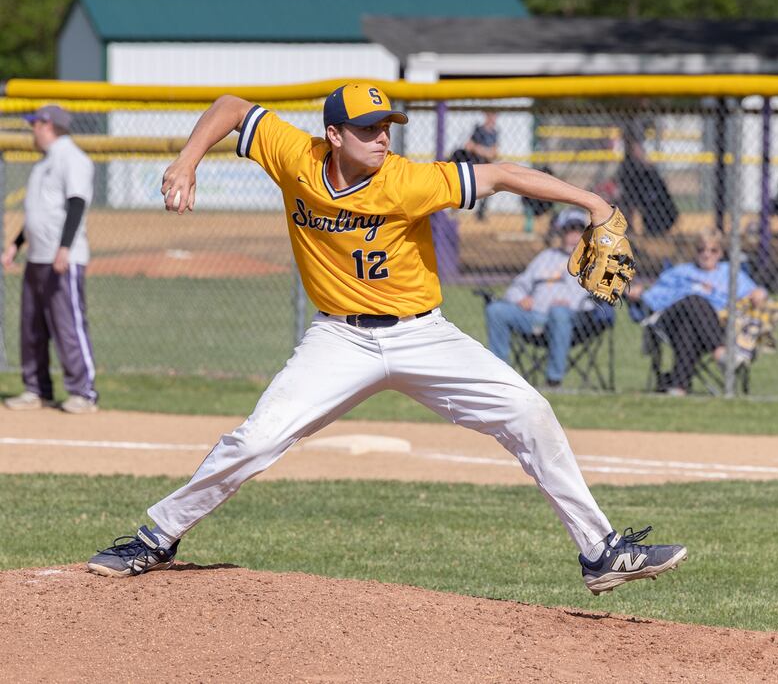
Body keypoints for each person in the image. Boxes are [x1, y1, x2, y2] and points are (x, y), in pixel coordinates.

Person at [87, 83, 686, 595]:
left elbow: (501, 175)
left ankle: (601, 552)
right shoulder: (295, 155)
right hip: (338, 341)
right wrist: (187, 160)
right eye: (369, 128)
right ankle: (156, 537)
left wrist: (591, 201)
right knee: (256, 440)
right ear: (334, 134)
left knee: (528, 410)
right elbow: (229, 107)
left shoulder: (410, 181)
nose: (383, 138)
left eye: (388, 126)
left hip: (425, 336)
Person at [2, 105, 98, 414]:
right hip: (37, 256)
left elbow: (77, 203)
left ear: (48, 125)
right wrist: (16, 244)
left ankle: (84, 393)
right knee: (32, 327)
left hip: (62, 257)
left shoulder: (73, 158)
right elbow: (37, 214)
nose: (32, 131)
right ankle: (37, 389)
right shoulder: (43, 164)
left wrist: (65, 247)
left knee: (68, 325)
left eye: (35, 124)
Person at [628, 228, 767, 396]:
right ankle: (720, 353)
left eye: (712, 250)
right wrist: (637, 294)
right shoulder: (680, 272)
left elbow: (755, 291)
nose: (706, 254)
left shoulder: (729, 273)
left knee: (689, 326)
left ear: (720, 253)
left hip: (708, 326)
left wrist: (760, 293)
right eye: (701, 249)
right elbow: (653, 297)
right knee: (694, 300)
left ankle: (679, 386)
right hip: (670, 320)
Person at [485, 206, 611, 388]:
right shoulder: (545, 257)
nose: (573, 236)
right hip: (533, 316)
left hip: (573, 321)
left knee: (559, 312)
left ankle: (553, 381)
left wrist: (571, 306)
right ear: (561, 233)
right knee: (496, 310)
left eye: (579, 230)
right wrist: (520, 298)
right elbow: (518, 286)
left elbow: (600, 297)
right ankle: (499, 376)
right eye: (569, 230)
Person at [616, 125, 678, 236]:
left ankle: (640, 228)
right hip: (637, 190)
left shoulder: (644, 165)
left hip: (653, 203)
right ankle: (628, 228)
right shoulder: (627, 164)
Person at [453, 111, 499, 220]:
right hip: (474, 163)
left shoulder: (494, 133)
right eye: (490, 115)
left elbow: (494, 153)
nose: (492, 118)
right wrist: (485, 151)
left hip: (486, 164)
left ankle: (481, 213)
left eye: (494, 116)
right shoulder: (479, 130)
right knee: (460, 184)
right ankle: (454, 207)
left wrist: (479, 149)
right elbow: (469, 146)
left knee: (490, 187)